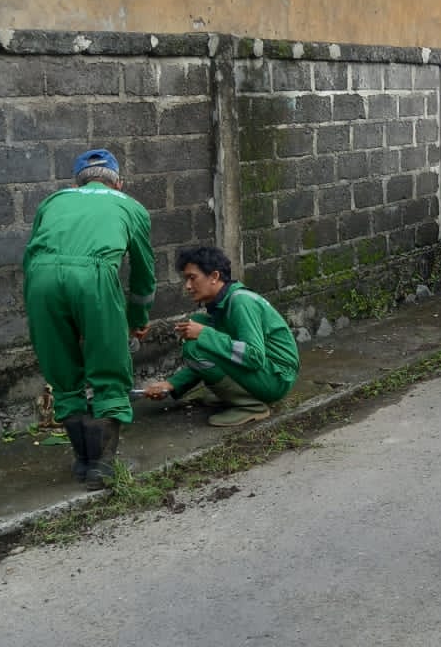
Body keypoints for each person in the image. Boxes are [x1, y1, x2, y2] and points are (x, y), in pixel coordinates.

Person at [23, 148, 156, 488]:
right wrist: (137, 317)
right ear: (119, 184)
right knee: (110, 368)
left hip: (39, 280)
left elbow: (33, 251)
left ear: (76, 183)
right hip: (95, 277)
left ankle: (83, 460)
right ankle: (103, 465)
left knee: (63, 370)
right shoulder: (130, 207)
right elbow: (143, 275)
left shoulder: (53, 202)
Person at [142, 246, 299, 426]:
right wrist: (171, 385)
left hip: (276, 379)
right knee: (197, 325)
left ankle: (251, 406)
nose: (188, 286)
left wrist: (205, 334)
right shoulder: (222, 305)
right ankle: (241, 395)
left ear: (214, 277)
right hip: (268, 373)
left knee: (196, 344)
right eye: (186, 279)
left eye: (192, 278)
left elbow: (254, 356)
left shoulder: (241, 302)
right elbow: (221, 353)